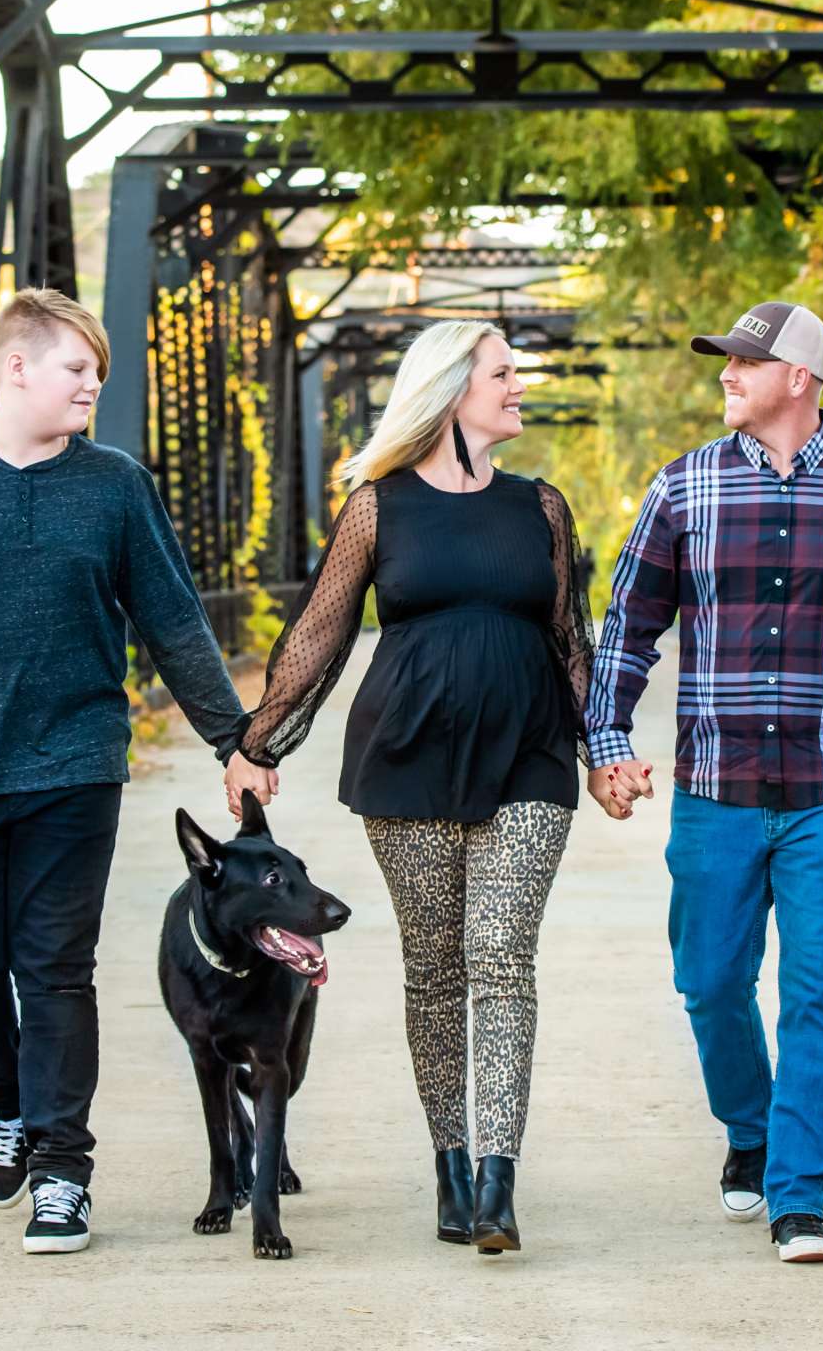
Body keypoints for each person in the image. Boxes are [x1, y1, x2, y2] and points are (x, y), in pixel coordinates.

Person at [0, 288, 276, 1256]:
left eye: (99, 371)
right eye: (78, 369)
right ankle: (4, 1104)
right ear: (16, 369)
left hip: (75, 767)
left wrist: (235, 742)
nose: (93, 385)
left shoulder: (114, 486)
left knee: (54, 968)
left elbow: (173, 621)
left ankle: (61, 1170)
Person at [584, 300, 823, 1265]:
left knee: (822, 995)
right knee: (708, 981)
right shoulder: (683, 489)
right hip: (715, 788)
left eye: (743, 362)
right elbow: (626, 628)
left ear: (799, 377)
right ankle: (751, 1127)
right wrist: (605, 739)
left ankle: (799, 1195)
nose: (725, 377)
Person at [227, 320, 594, 1255]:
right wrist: (255, 741)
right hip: (407, 758)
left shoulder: (540, 508)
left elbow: (570, 640)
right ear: (450, 389)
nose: (519, 387)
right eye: (504, 374)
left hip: (529, 758)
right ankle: (450, 1162)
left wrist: (607, 748)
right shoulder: (377, 507)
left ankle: (498, 1182)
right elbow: (317, 633)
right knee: (435, 972)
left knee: (501, 954)